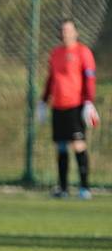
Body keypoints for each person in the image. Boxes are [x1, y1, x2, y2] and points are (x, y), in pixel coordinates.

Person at [38, 18, 99, 200]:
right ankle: (63, 188)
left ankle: (84, 188)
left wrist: (88, 102)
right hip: (58, 106)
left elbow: (89, 78)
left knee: (78, 145)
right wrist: (43, 101)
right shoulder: (55, 53)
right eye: (63, 30)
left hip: (76, 105)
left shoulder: (83, 52)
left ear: (75, 32)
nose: (66, 33)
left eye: (69, 30)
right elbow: (51, 79)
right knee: (61, 147)